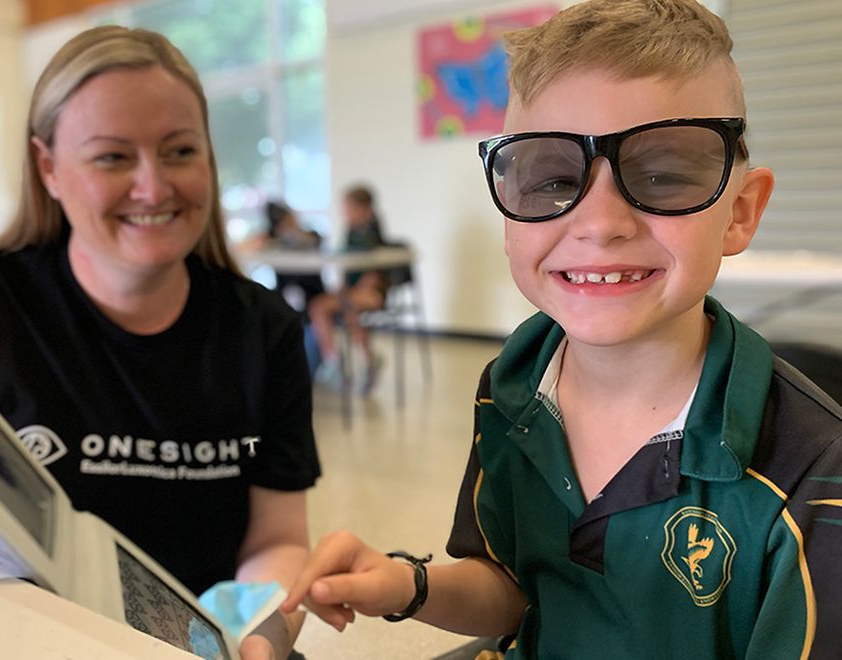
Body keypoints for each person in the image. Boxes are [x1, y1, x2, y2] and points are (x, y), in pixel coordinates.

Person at [281, 1, 842, 658]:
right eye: (550, 179)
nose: (600, 222)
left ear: (740, 213)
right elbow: (517, 587)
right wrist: (410, 585)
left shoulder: (813, 470)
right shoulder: (514, 387)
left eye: (661, 174)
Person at [0, 26, 320, 659]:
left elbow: (278, 539)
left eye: (179, 150)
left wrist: (256, 632)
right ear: (48, 167)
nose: (153, 188)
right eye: (112, 157)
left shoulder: (264, 329)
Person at [307, 185, 389, 394]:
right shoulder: (353, 231)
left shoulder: (370, 234)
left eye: (348, 208)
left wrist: (355, 291)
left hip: (369, 294)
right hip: (355, 293)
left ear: (363, 208)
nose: (345, 212)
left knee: (320, 307)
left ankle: (333, 360)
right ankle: (363, 359)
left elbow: (373, 275)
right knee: (342, 310)